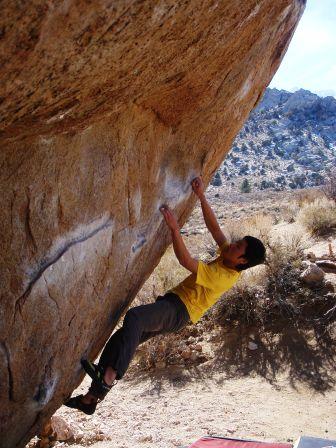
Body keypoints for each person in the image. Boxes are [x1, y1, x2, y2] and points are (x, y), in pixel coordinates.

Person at [64, 176, 266, 414]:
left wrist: (174, 229)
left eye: (238, 247)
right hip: (174, 306)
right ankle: (90, 399)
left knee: (135, 319)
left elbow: (186, 261)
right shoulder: (229, 257)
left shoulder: (224, 275)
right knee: (123, 338)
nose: (232, 245)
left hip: (179, 311)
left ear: (242, 261)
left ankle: (106, 379)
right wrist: (201, 196)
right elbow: (215, 229)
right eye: (237, 243)